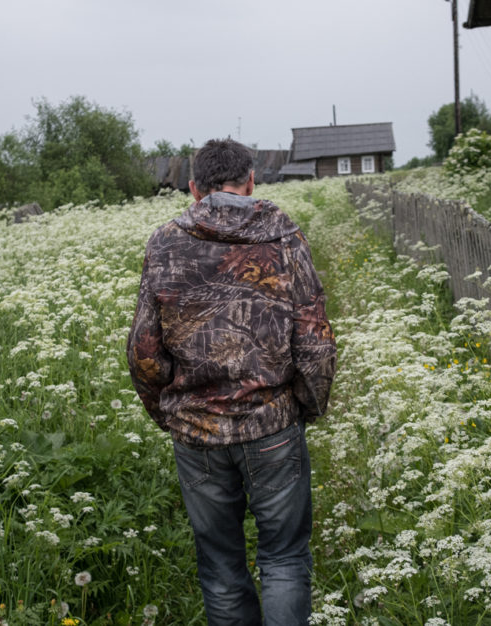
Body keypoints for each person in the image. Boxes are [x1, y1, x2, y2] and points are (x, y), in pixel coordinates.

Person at [127, 138, 337, 625]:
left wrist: (169, 413)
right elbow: (315, 339)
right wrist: (305, 405)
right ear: (251, 181)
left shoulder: (164, 241)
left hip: (196, 432)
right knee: (284, 559)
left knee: (221, 567)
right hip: (272, 426)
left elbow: (144, 347)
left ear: (193, 188)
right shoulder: (282, 234)